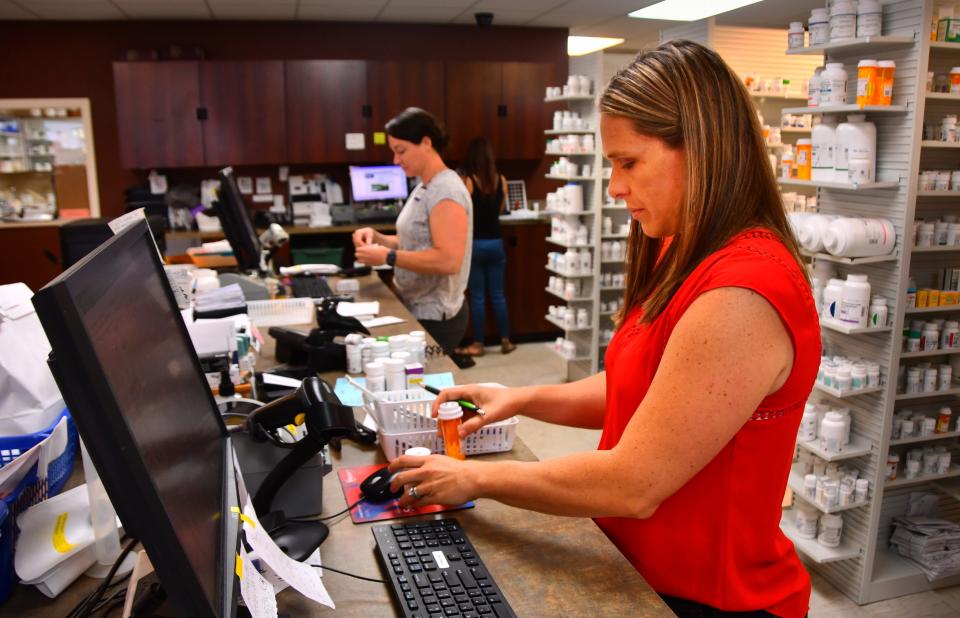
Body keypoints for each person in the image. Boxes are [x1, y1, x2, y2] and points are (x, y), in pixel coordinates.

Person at [387, 41, 820, 618]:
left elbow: (632, 484)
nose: (614, 187)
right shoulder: (682, 249)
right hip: (636, 572)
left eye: (629, 162)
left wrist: (479, 483)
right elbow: (642, 386)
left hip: (713, 599)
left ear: (703, 151)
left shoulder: (743, 291)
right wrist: (522, 396)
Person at [353, 108, 473, 364]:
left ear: (426, 143)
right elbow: (418, 242)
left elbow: (448, 260)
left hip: (437, 316)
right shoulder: (424, 186)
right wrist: (380, 239)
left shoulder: (446, 192)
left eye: (401, 150)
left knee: (423, 383)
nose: (396, 160)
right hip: (417, 306)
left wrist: (388, 256)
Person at [454, 137, 516, 357]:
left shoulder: (467, 181)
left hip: (476, 245)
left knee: (478, 296)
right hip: (496, 244)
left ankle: (478, 344)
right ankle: (506, 340)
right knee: (498, 294)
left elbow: (462, 212)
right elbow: (499, 211)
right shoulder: (502, 180)